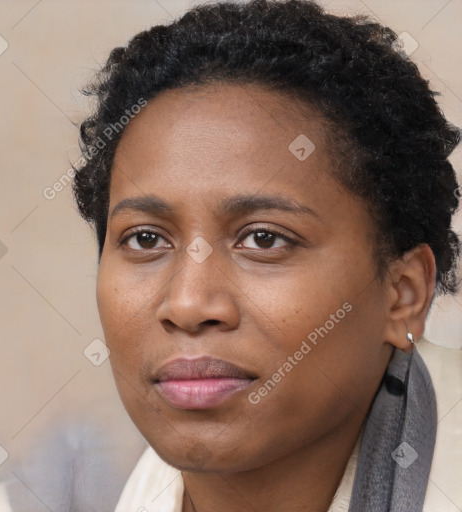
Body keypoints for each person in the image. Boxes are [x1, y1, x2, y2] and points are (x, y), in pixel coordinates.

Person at [72, 0, 461, 510]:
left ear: (403, 296)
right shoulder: (139, 492)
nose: (188, 305)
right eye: (146, 239)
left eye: (263, 239)